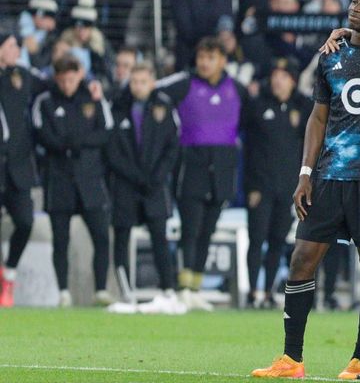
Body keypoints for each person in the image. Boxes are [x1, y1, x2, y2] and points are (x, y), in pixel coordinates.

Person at [251, 0, 360, 380]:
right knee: (301, 259)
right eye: (354, 1)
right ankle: (291, 359)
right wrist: (305, 173)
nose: (355, 8)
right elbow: (318, 117)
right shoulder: (331, 55)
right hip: (328, 178)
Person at [157, 37, 250, 311]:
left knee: (207, 230)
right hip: (192, 165)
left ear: (223, 60)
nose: (204, 63)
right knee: (190, 228)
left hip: (222, 167)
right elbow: (155, 92)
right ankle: (183, 286)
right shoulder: (184, 83)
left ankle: (195, 286)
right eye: (201, 58)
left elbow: (244, 122)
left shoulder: (238, 89)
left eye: (210, 58)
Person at [34, 54, 114, 307]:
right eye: (62, 80)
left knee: (101, 236)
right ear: (56, 79)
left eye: (71, 79)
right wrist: (67, 144)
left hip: (90, 179)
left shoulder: (94, 97)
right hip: (59, 180)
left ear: (79, 74)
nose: (67, 84)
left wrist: (78, 142)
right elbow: (41, 134)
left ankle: (100, 289)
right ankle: (63, 292)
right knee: (61, 239)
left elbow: (106, 133)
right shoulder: (45, 101)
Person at [106, 62, 183, 312]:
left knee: (159, 237)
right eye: (134, 81)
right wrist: (133, 175)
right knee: (121, 236)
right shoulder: (118, 105)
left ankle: (168, 290)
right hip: (126, 184)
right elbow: (111, 148)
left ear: (152, 82)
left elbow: (173, 145)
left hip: (155, 184)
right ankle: (125, 293)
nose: (138, 86)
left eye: (142, 81)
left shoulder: (164, 105)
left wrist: (157, 176)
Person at [243, 58, 312, 308]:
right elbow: (248, 150)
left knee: (277, 241)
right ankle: (252, 292)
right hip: (260, 188)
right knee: (256, 239)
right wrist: (250, 186)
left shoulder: (303, 107)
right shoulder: (257, 105)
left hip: (288, 189)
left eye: (283, 76)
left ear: (293, 81)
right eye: (275, 76)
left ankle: (270, 292)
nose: (277, 81)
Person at [0, 34, 44, 307]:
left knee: (25, 222)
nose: (17, 51)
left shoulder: (24, 75)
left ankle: (10, 273)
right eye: (12, 46)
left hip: (17, 166)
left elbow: (54, 83)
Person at [172, 0, 238, 69]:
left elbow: (230, 21)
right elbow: (184, 26)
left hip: (218, 54)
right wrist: (212, 41)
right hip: (190, 53)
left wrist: (228, 38)